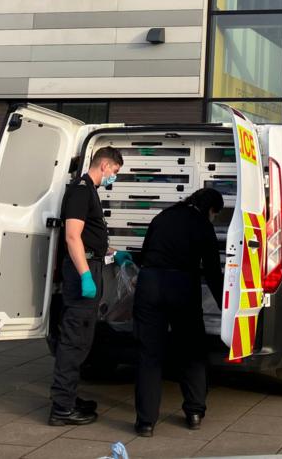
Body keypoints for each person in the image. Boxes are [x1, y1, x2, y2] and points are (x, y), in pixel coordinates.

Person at [133, 188, 225, 437]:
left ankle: (145, 422)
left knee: (149, 355)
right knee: (192, 349)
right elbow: (213, 271)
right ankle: (194, 412)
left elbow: (143, 255)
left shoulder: (162, 217)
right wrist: (225, 306)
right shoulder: (202, 225)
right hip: (182, 287)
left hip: (149, 285)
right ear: (211, 209)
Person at [48, 146, 130, 426]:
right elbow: (73, 237)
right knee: (74, 341)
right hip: (81, 274)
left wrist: (112, 252)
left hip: (91, 266)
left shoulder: (89, 191)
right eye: (115, 172)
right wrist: (84, 275)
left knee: (82, 340)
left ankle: (68, 398)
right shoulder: (81, 191)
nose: (114, 178)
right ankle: (62, 408)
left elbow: (90, 240)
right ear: (105, 165)